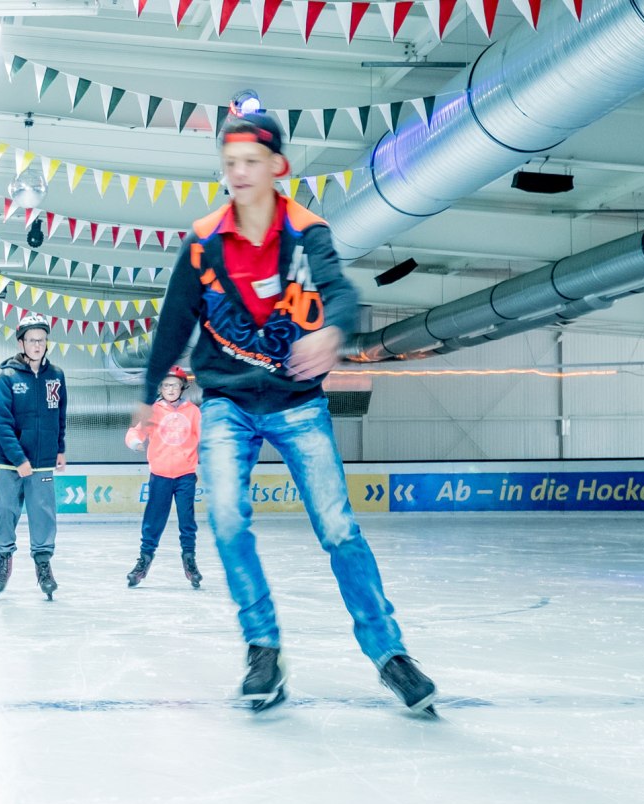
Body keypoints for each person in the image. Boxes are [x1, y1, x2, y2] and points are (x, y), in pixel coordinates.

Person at [139, 110, 437, 715]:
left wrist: (332, 331)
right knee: (225, 518)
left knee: (338, 528)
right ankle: (262, 647)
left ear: (278, 167)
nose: (239, 174)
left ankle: (389, 653)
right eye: (229, 165)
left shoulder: (307, 233)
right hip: (226, 401)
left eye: (250, 162)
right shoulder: (203, 241)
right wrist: (150, 393)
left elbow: (339, 291)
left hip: (296, 400)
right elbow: (174, 323)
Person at [0, 313, 67, 599]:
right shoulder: (8, 377)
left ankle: (43, 564)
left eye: (42, 340)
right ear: (21, 343)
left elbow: (60, 415)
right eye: (32, 340)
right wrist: (19, 459)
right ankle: (3, 560)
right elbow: (2, 422)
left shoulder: (56, 376)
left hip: (44, 460)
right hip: (11, 462)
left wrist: (60, 448)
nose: (38, 345)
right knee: (6, 511)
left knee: (43, 514)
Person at [124, 366, 203, 589]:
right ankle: (144, 559)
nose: (170, 389)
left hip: (186, 476)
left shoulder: (193, 412)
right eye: (166, 385)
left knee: (187, 521)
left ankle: (190, 560)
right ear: (160, 387)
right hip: (160, 477)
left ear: (182, 387)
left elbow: (204, 437)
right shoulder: (154, 411)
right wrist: (136, 443)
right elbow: (134, 432)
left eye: (174, 385)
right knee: (153, 520)